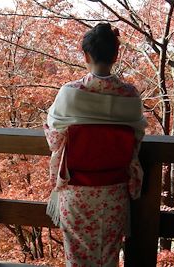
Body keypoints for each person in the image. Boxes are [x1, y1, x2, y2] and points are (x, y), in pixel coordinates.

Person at [44, 23, 148, 267]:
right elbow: (137, 138)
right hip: (114, 190)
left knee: (76, 257)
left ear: (86, 55)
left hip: (76, 190)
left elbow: (55, 139)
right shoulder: (130, 95)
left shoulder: (70, 92)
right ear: (115, 55)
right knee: (108, 255)